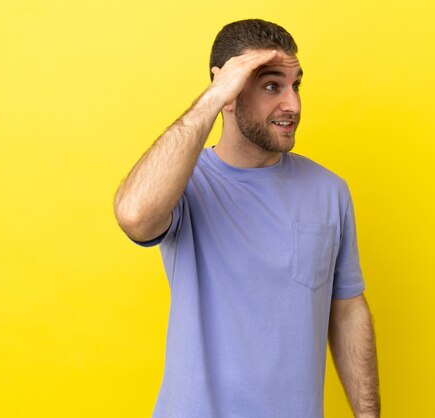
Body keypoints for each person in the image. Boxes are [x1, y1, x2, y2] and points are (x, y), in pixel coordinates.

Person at [114, 19, 380, 418]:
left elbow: (346, 310)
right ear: (228, 90)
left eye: (296, 85)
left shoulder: (329, 191)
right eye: (272, 86)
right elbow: (134, 216)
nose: (293, 104)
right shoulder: (186, 184)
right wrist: (216, 94)